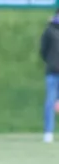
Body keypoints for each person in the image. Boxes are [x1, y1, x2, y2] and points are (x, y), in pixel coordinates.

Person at [41, 9, 59, 143]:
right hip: (53, 72)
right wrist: (51, 61)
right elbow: (43, 50)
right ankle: (48, 132)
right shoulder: (49, 30)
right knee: (50, 102)